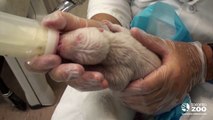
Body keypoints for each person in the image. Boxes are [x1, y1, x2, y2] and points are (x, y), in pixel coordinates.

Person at [26, 0, 213, 115]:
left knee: (201, 112)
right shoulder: (103, 36)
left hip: (206, 78)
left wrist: (202, 60)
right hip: (130, 33)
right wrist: (104, 20)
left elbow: (118, 79)